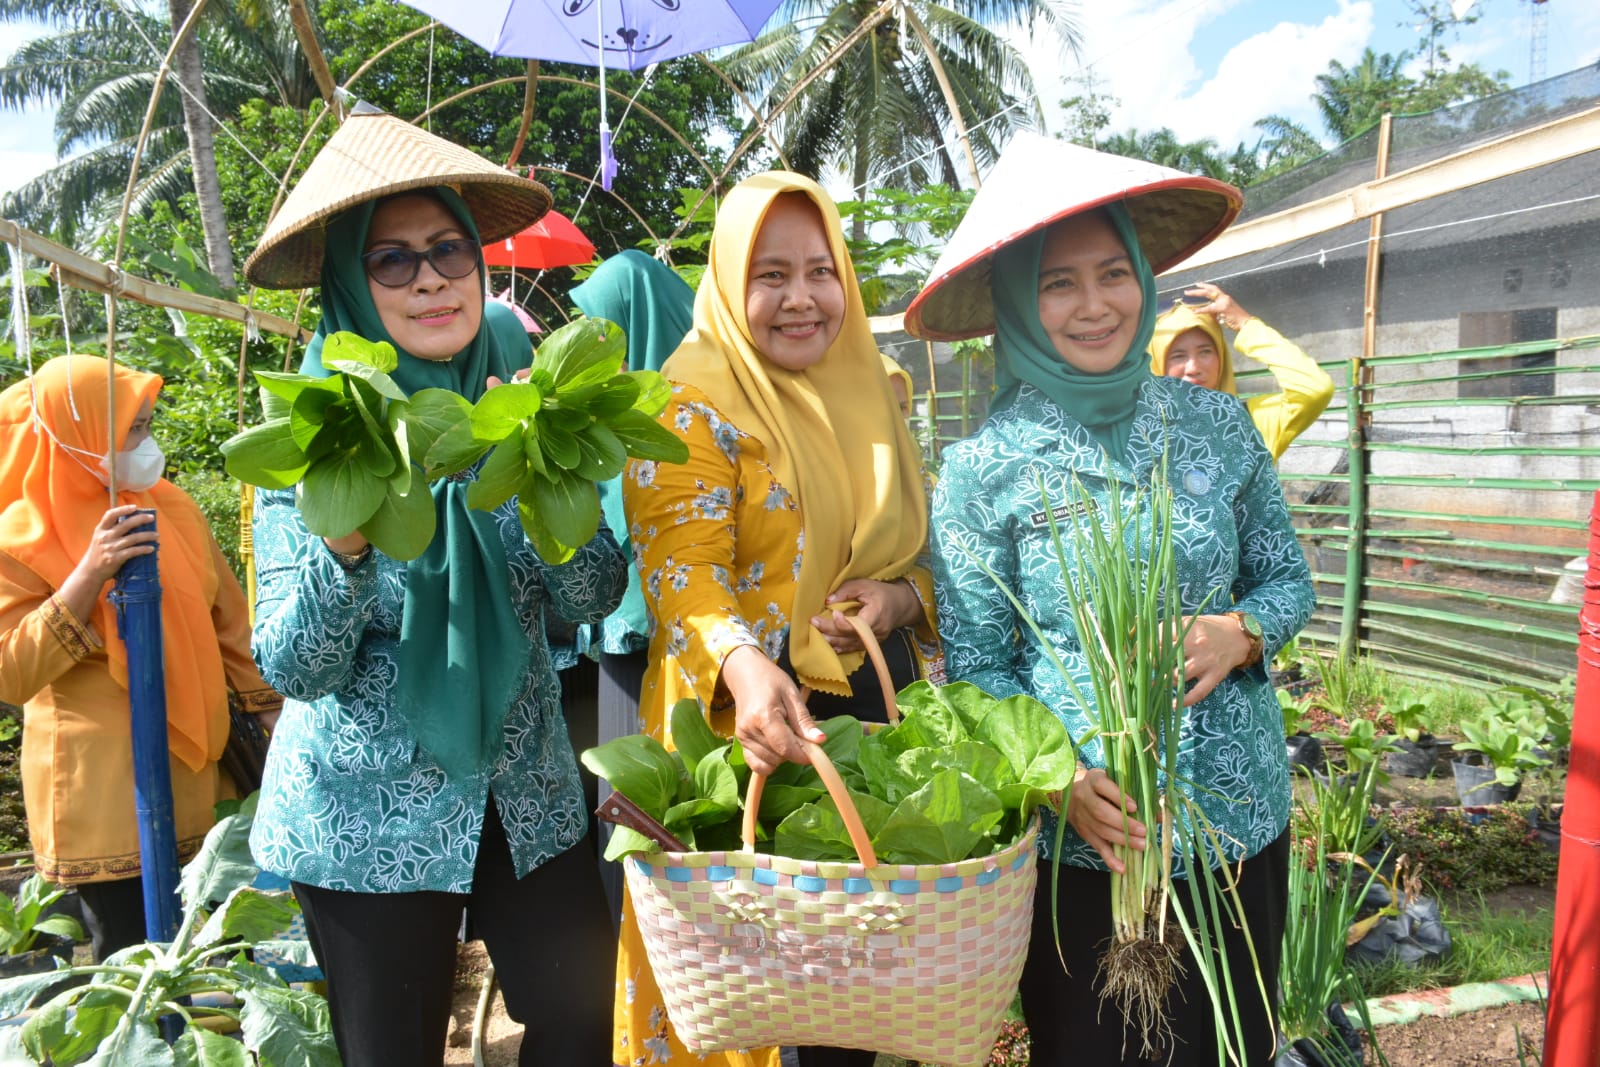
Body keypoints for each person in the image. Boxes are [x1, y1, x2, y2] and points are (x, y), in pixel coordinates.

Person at [905, 135, 1315, 1066]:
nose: (1093, 306)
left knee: (1231, 1047)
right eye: (1057, 284)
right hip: (1087, 851)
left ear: (1141, 277)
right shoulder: (981, 468)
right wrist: (1055, 784)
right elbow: (977, 667)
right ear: (1017, 302)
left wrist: (1240, 631)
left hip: (1235, 824)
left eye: (1110, 274)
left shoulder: (1213, 422)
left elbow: (1290, 579)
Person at [241, 108, 627, 1067]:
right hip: (364, 813)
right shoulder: (321, 428)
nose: (430, 280)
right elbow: (293, 662)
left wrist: (553, 483)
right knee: (392, 1052)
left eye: (450, 251)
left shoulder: (521, 401)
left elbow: (592, 596)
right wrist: (343, 552)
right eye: (393, 261)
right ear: (349, 283)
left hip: (523, 785)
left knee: (584, 1018)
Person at [613, 172, 940, 1067]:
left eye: (819, 269)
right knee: (743, 999)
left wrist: (903, 596)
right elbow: (681, 570)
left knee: (851, 1010)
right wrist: (743, 661)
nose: (801, 298)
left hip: (870, 724)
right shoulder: (689, 404)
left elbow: (924, 554)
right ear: (725, 282)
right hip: (742, 730)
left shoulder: (876, 391)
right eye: (768, 275)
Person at [0, 354, 283, 961]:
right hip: (100, 791)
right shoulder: (15, 536)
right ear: (79, 433)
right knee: (128, 957)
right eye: (133, 429)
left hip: (196, 773)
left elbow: (228, 620)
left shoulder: (168, 507)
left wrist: (272, 714)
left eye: (147, 424)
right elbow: (12, 673)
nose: (147, 443)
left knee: (216, 945)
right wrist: (90, 573)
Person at [568, 249, 696, 924]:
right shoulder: (612, 421)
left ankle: (649, 945)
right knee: (630, 805)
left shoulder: (680, 421)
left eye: (604, 333)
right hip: (620, 634)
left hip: (651, 639)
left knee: (640, 810)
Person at [1150, 281, 1334, 461]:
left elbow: (1314, 389)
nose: (1194, 368)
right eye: (1178, 356)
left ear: (1221, 356)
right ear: (1156, 363)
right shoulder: (1139, 437)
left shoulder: (1251, 424)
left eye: (1205, 352)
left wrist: (1245, 324)